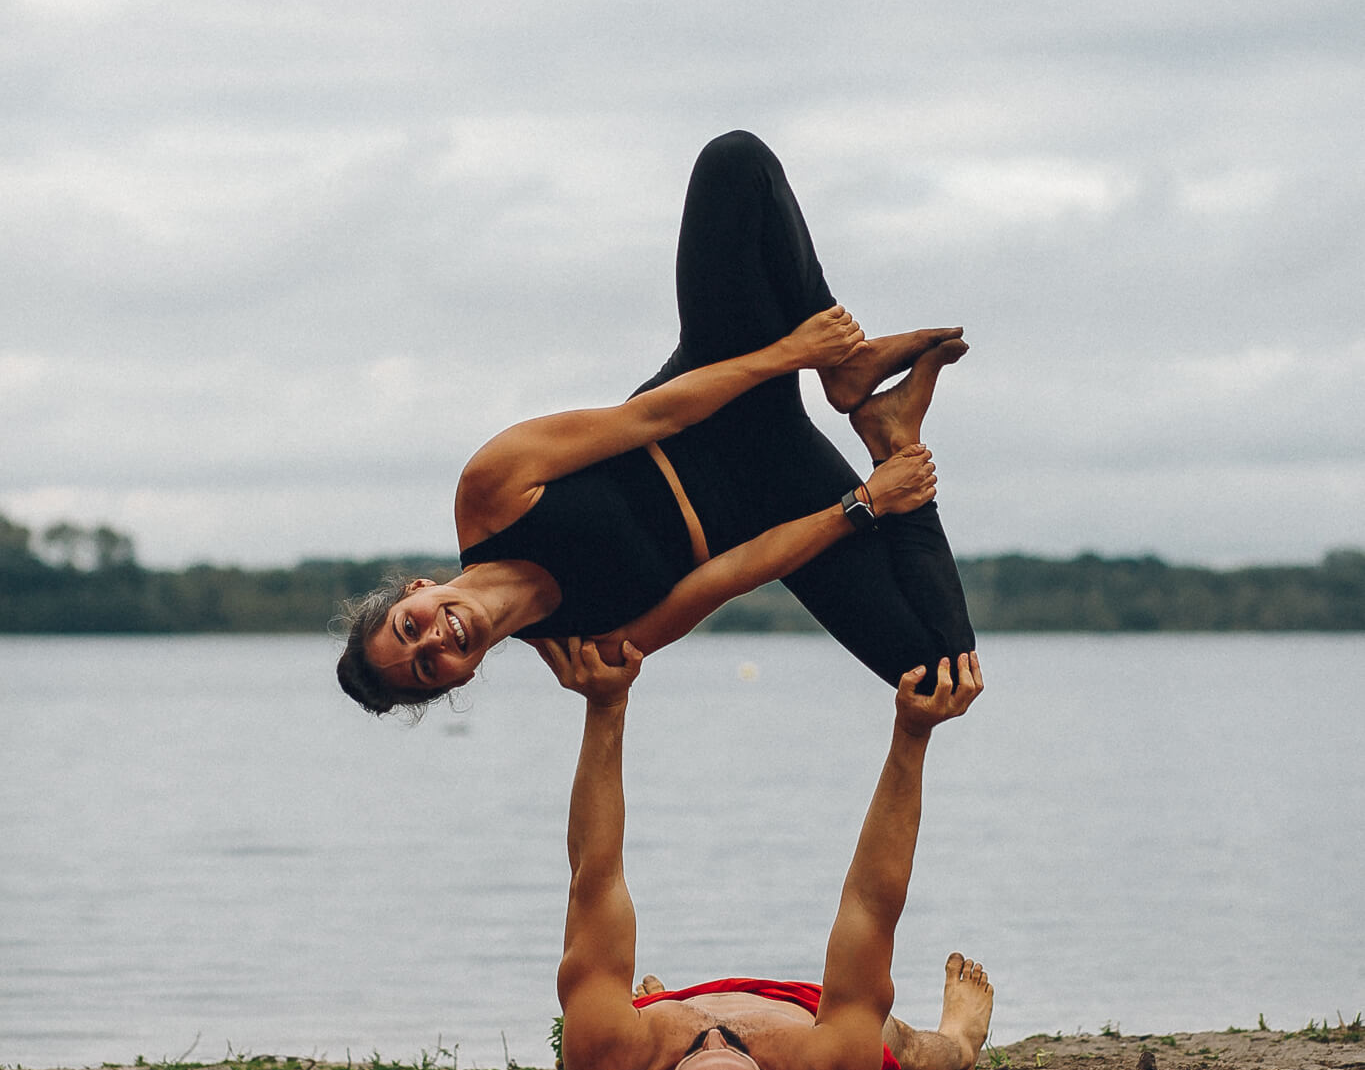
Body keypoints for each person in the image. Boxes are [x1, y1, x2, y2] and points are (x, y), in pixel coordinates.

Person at [336, 131, 975, 714]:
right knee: (935, 678)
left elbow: (650, 415)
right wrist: (868, 501)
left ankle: (849, 368)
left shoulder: (489, 491)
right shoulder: (588, 650)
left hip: (713, 397)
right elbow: (731, 575)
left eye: (409, 627)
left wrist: (794, 353)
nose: (433, 639)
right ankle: (893, 432)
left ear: (415, 590)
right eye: (427, 668)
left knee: (734, 163)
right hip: (778, 501)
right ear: (458, 680)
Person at [546, 635, 990, 1070]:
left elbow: (595, 879)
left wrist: (605, 706)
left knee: (593, 1015)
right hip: (802, 1015)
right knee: (907, 1049)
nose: (714, 1036)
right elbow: (869, 909)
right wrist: (912, 735)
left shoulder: (611, 1069)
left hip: (653, 1027)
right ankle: (961, 1042)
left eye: (695, 1054)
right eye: (735, 1051)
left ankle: (658, 1007)